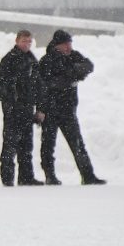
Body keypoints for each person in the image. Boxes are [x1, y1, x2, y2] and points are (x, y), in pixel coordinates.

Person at [37, 30, 105, 186]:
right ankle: (50, 176)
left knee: (78, 144)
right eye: (65, 44)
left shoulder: (73, 56)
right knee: (48, 145)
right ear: (57, 45)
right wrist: (41, 109)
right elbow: (44, 85)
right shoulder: (47, 61)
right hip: (50, 110)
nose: (68, 47)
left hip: (68, 110)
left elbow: (88, 65)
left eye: (70, 43)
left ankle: (88, 176)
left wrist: (70, 73)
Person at [0, 30, 42, 187]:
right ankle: (7, 178)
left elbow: (39, 85)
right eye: (24, 41)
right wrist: (11, 102)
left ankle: (26, 176)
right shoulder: (9, 59)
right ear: (17, 41)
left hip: (27, 108)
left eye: (29, 41)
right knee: (10, 144)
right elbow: (1, 85)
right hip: (13, 109)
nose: (27, 44)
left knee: (26, 145)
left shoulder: (32, 60)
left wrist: (39, 108)